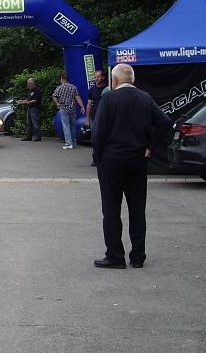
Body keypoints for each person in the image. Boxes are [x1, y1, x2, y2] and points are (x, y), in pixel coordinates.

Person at [92, 64, 171, 269]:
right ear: (133, 79)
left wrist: (98, 157)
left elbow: (99, 131)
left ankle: (115, 256)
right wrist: (151, 146)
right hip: (137, 160)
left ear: (114, 80)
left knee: (111, 209)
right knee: (137, 209)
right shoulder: (145, 98)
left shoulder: (108, 98)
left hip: (112, 160)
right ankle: (137, 256)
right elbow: (165, 122)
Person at [52, 72, 85, 149]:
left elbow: (54, 96)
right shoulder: (73, 87)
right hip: (73, 108)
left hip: (64, 108)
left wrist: (57, 103)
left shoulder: (59, 88)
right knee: (73, 126)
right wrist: (82, 106)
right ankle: (73, 142)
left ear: (61, 79)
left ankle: (68, 143)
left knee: (66, 126)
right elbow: (77, 97)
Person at [85, 69, 106, 165]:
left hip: (105, 116)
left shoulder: (108, 89)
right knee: (95, 138)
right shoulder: (91, 90)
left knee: (105, 138)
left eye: (98, 77)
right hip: (94, 117)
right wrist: (87, 119)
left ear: (103, 77)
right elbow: (89, 104)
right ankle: (96, 158)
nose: (96, 79)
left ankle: (105, 158)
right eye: (95, 77)